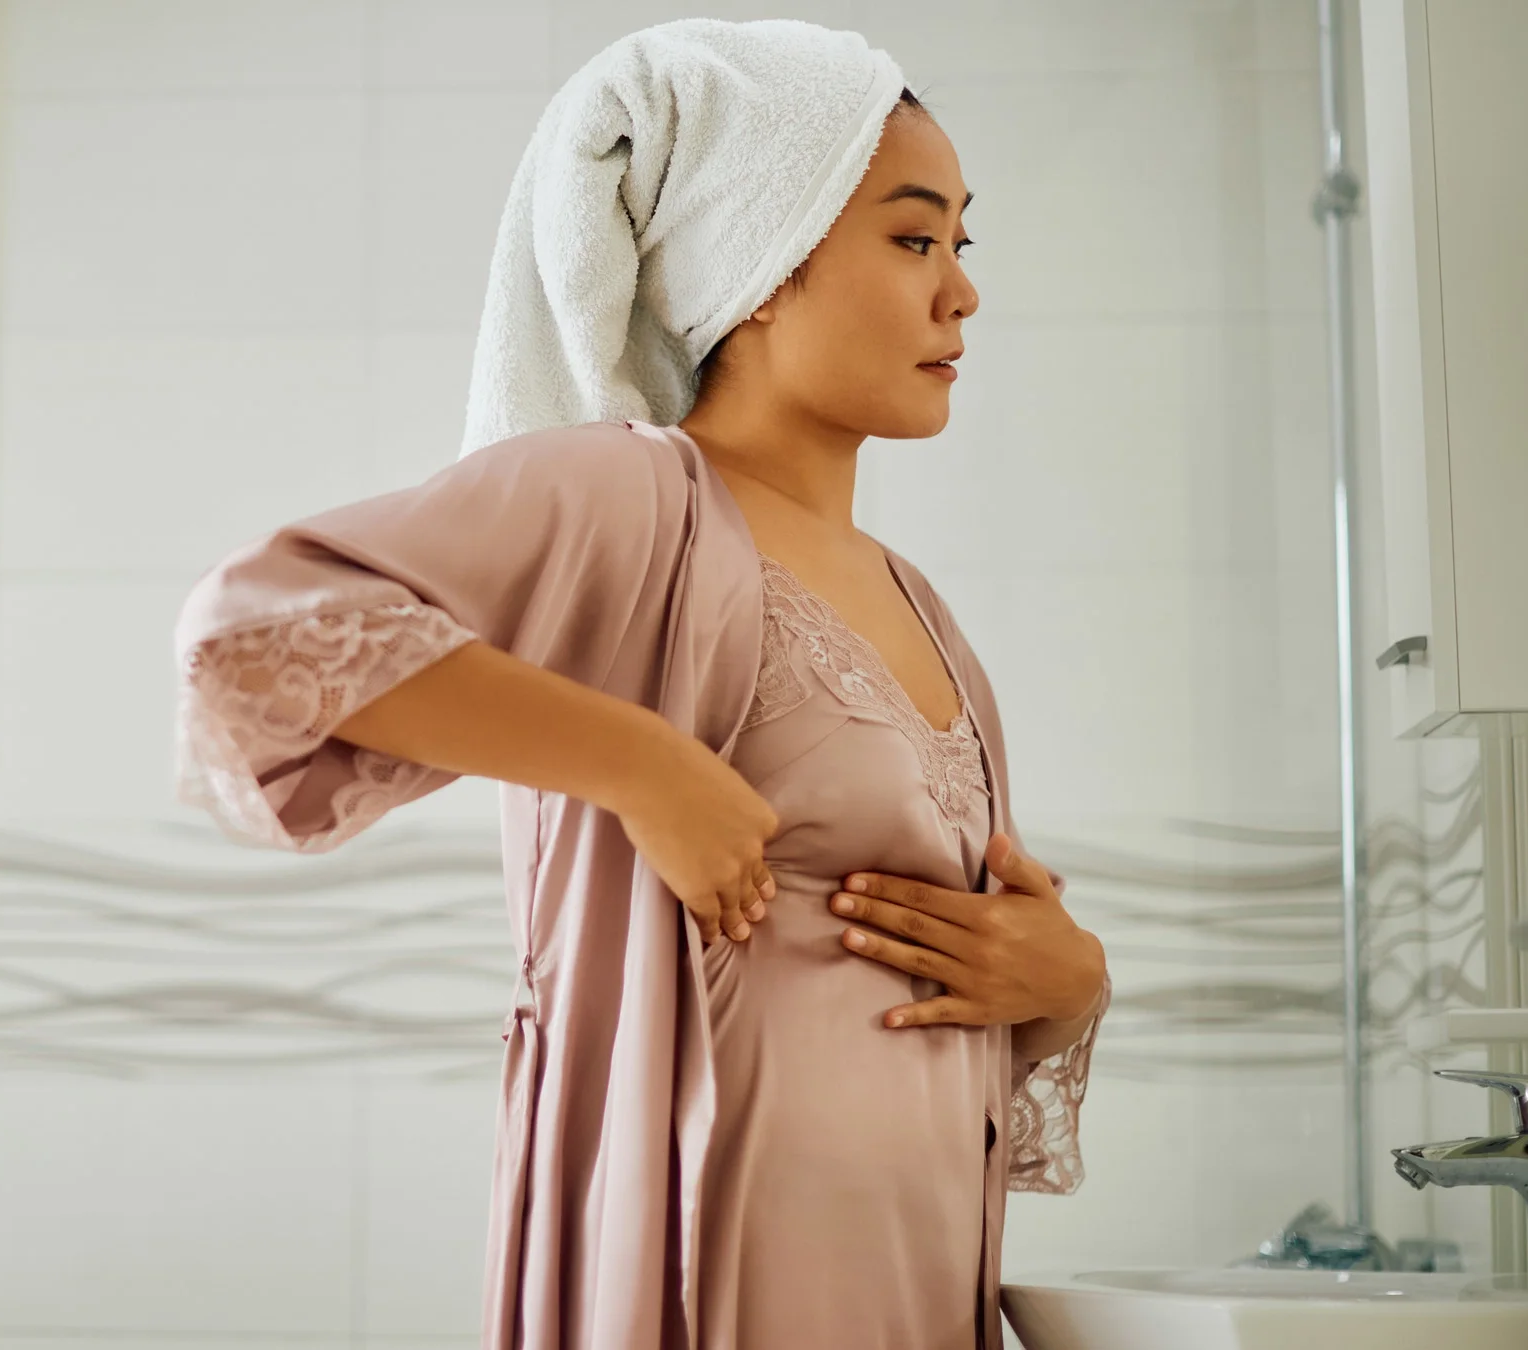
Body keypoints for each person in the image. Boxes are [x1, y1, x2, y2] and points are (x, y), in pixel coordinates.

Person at [172, 19, 1107, 1350]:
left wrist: (1061, 985)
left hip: (913, 1286)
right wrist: (638, 763)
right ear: (765, 259)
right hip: (694, 1283)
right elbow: (249, 640)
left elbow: (906, 998)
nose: (961, 291)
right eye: (913, 239)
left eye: (964, 243)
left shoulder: (921, 605)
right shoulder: (627, 496)